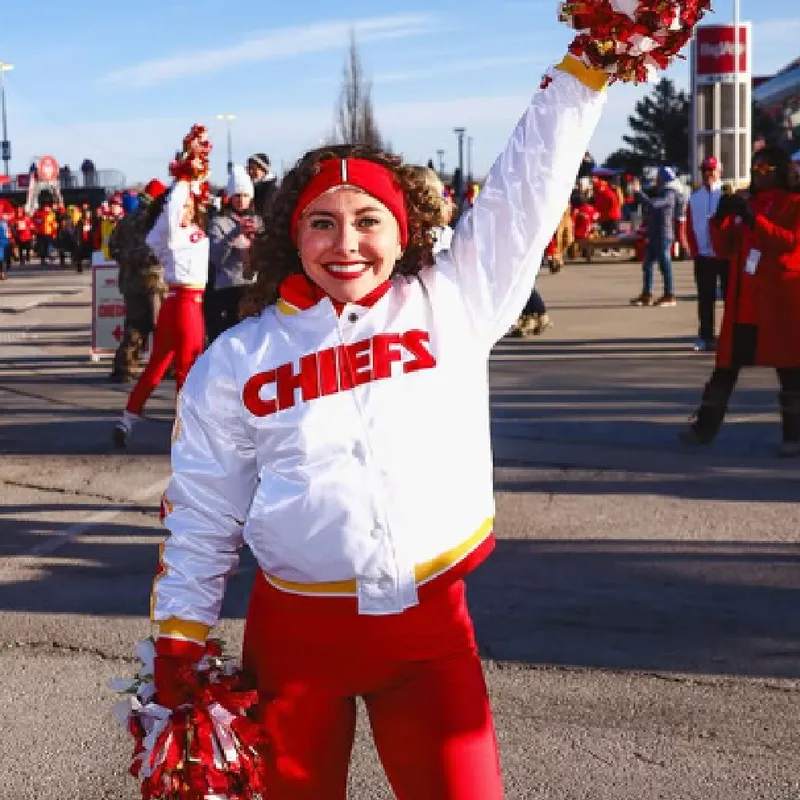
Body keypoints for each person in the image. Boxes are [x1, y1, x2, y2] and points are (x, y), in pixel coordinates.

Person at [149, 50, 609, 800]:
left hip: (431, 639)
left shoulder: (452, 303)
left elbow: (528, 188)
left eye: (369, 221)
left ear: (405, 233)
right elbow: (203, 515)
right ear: (291, 238)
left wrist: (588, 69)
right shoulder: (238, 359)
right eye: (321, 224)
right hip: (296, 642)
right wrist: (178, 646)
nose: (346, 243)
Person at [679, 146, 800, 457]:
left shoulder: (794, 203)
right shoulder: (747, 201)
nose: (760, 174)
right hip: (745, 301)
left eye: (766, 168)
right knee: (725, 368)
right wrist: (720, 218)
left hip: (779, 303)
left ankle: (794, 436)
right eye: (755, 168)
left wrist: (753, 219)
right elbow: (723, 249)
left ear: (782, 171)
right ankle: (704, 428)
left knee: (789, 370)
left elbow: (788, 243)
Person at [113, 125, 212, 448]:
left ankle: (127, 421)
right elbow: (171, 212)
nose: (185, 210)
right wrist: (184, 178)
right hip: (187, 304)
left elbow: (162, 228)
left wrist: (192, 179)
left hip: (174, 303)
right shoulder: (177, 234)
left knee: (157, 368)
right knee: (186, 371)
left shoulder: (174, 235)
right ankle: (187, 435)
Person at [108, 179, 168, 383]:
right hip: (155, 280)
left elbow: (112, 246)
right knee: (161, 325)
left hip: (130, 280)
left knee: (134, 324)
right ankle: (167, 366)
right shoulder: (159, 220)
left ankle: (125, 366)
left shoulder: (127, 220)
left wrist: (126, 261)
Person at [205, 165, 263, 343]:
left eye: (245, 195)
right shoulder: (219, 223)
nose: (241, 200)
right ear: (229, 197)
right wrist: (234, 234)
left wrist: (258, 238)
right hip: (228, 288)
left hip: (253, 286)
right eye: (237, 195)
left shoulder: (258, 222)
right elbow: (216, 257)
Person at [687, 155, 727, 352]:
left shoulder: (727, 195)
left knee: (730, 298)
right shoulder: (695, 198)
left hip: (725, 256)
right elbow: (689, 226)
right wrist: (694, 251)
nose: (708, 174)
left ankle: (730, 336)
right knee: (705, 298)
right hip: (704, 256)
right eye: (705, 170)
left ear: (720, 171)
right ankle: (706, 336)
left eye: (712, 170)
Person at [630, 167, 681, 307]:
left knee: (665, 265)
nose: (656, 179)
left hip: (663, 235)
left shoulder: (670, 193)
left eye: (658, 176)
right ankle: (647, 294)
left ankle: (669, 295)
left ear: (664, 178)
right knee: (648, 264)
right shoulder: (663, 191)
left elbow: (654, 205)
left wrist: (639, 193)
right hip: (655, 234)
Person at [246, 152, 279, 218]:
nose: (250, 171)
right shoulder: (253, 188)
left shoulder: (271, 191)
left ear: (264, 170)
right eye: (248, 168)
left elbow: (266, 215)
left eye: (253, 168)